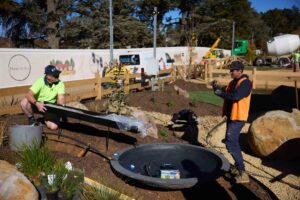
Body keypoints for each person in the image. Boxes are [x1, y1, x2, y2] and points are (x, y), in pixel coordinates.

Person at [212, 60, 252, 184]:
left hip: (238, 118)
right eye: (230, 70)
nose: (230, 72)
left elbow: (235, 96)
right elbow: (227, 92)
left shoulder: (245, 83)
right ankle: (239, 167)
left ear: (240, 71)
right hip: (232, 116)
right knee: (231, 142)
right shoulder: (234, 82)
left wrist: (220, 93)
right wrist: (217, 88)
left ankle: (242, 172)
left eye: (233, 70)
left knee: (230, 142)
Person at [20, 65, 65, 130]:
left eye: (57, 75)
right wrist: (37, 103)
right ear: (48, 76)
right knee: (24, 102)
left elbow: (61, 98)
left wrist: (60, 108)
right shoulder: (40, 81)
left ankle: (46, 119)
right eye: (55, 76)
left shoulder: (60, 83)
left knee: (53, 127)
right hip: (36, 105)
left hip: (49, 107)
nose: (58, 77)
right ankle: (31, 119)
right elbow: (28, 95)